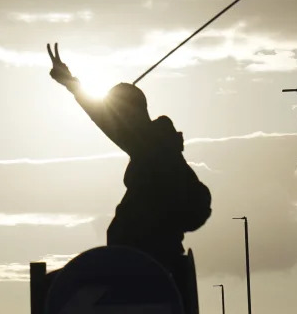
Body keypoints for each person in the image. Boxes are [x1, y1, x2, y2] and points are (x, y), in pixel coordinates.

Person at [46, 43, 212, 278]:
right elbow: (105, 118)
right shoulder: (156, 144)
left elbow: (103, 118)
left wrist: (72, 84)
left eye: (118, 112)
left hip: (146, 255)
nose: (115, 120)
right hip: (151, 253)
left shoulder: (150, 143)